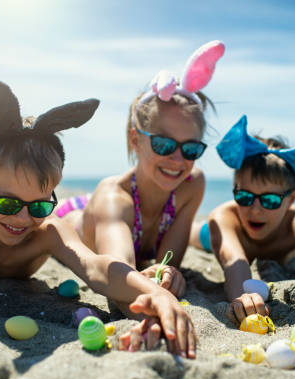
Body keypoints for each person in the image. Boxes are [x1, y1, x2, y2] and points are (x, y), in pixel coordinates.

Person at [0, 81, 196, 379]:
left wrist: (152, 291)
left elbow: (96, 267)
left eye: (38, 206)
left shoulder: (46, 230)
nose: (22, 219)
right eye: (7, 204)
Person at [56, 40, 225, 351]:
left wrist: (166, 276)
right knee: (81, 218)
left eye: (190, 149)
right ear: (136, 140)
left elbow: (165, 262)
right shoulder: (115, 197)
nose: (177, 159)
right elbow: (118, 270)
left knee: (196, 234)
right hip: (80, 214)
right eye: (163, 144)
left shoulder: (191, 184)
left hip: (132, 220)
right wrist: (152, 304)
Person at [189, 115, 295, 326]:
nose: (255, 210)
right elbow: (234, 263)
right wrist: (243, 295)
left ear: (292, 198)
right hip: (216, 236)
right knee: (193, 233)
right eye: (244, 196)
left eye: (270, 200)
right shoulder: (225, 216)